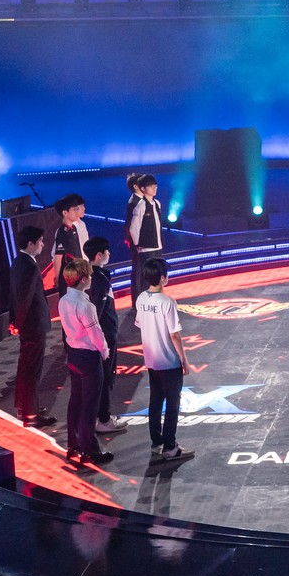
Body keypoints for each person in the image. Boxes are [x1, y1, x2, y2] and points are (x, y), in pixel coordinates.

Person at [135, 256, 195, 463]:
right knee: (172, 403)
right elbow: (174, 334)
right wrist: (183, 358)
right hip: (168, 360)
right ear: (162, 277)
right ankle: (170, 446)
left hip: (151, 359)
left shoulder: (141, 298)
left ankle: (157, 442)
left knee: (155, 401)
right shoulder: (167, 302)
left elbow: (141, 324)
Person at [56, 256, 112, 466]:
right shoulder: (85, 305)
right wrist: (104, 351)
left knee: (76, 401)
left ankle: (74, 445)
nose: (91, 277)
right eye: (89, 275)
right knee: (89, 405)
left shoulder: (63, 300)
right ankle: (90, 450)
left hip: (73, 354)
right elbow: (95, 333)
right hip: (88, 357)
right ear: (83, 279)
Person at [9, 224, 57, 428]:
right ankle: (30, 414)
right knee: (32, 370)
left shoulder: (20, 262)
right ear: (30, 244)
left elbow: (15, 296)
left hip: (29, 324)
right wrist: (18, 323)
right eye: (40, 242)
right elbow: (24, 298)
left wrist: (15, 321)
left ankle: (26, 407)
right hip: (33, 325)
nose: (43, 245)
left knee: (26, 367)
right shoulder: (27, 265)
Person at [84, 237, 125, 434]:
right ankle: (104, 419)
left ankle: (101, 416)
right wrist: (100, 338)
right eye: (107, 252)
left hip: (103, 333)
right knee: (106, 375)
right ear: (99, 255)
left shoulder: (92, 275)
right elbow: (98, 312)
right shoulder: (99, 279)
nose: (110, 254)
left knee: (104, 376)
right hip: (105, 334)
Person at [125, 173, 164, 260]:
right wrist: (138, 244)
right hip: (146, 248)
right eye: (151, 186)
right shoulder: (140, 205)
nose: (154, 189)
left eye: (155, 186)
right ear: (142, 188)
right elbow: (134, 228)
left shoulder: (157, 203)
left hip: (158, 246)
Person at [53, 192, 89, 266]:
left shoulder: (82, 224)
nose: (83, 209)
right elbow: (56, 255)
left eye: (83, 206)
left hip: (84, 265)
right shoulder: (64, 229)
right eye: (80, 206)